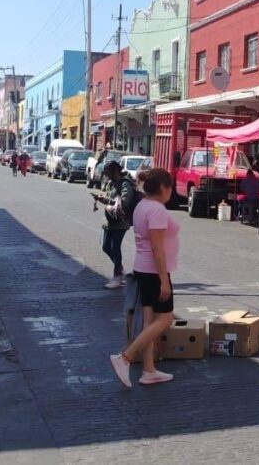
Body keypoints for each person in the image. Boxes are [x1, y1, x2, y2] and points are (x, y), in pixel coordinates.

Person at [111, 168, 180, 388]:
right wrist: (163, 280)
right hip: (153, 271)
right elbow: (157, 249)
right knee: (165, 319)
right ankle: (126, 357)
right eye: (170, 187)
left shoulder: (142, 205)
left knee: (149, 321)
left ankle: (149, 370)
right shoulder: (157, 210)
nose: (171, 191)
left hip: (142, 268)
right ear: (163, 187)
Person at [94, 161, 137, 289]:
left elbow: (124, 203)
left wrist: (105, 200)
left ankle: (117, 276)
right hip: (109, 220)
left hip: (120, 221)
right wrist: (102, 198)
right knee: (105, 246)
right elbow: (110, 198)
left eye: (107, 172)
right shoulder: (111, 183)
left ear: (115, 171)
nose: (106, 175)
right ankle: (120, 268)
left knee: (115, 247)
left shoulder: (125, 184)